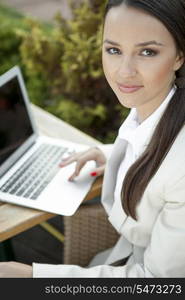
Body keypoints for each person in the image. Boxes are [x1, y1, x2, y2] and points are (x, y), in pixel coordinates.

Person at [1, 0, 185, 278]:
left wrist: (33, 277)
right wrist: (110, 153)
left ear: (180, 56)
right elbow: (153, 147)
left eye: (147, 52)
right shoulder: (153, 104)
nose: (124, 71)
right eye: (113, 49)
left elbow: (157, 283)